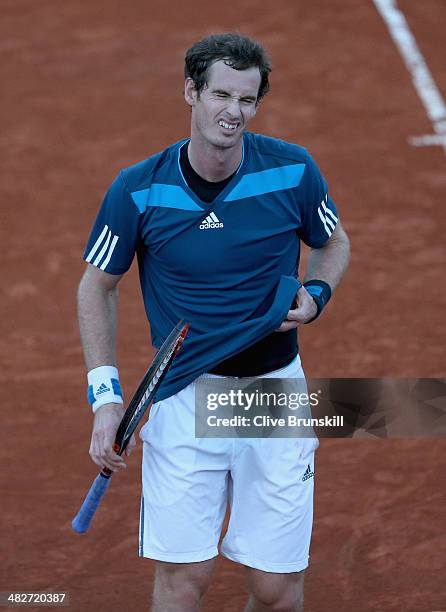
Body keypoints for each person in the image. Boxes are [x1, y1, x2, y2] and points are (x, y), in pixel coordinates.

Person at [78, 32, 350, 612]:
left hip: (272, 392)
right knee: (184, 582)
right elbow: (96, 286)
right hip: (182, 395)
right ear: (190, 92)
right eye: (221, 94)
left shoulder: (293, 171)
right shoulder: (139, 190)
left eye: (247, 100)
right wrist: (105, 397)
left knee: (276, 590)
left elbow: (331, 243)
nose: (234, 112)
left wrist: (318, 294)